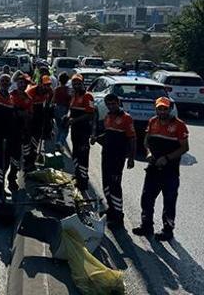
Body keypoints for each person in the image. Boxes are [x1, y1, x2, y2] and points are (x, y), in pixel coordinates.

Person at [132, 97, 189, 241]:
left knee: (169, 201)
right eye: (159, 108)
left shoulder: (179, 125)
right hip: (153, 168)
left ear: (170, 109)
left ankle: (168, 230)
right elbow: (146, 141)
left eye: (165, 108)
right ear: (156, 109)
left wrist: (168, 158)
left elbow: (185, 147)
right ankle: (146, 226)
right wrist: (149, 152)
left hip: (170, 171)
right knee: (147, 198)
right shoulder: (152, 121)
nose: (162, 111)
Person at [92, 93, 136, 229]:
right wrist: (96, 137)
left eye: (113, 103)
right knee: (106, 183)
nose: (111, 106)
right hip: (106, 155)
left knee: (115, 186)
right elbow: (109, 133)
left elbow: (132, 139)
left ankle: (118, 216)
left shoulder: (126, 118)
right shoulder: (108, 117)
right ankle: (111, 209)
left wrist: (131, 158)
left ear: (118, 103)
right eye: (108, 104)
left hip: (118, 157)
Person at [67, 73, 95, 191]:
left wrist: (75, 120)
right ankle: (78, 175)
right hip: (74, 130)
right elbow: (71, 111)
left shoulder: (88, 96)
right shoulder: (74, 95)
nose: (76, 85)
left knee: (83, 155)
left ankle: (83, 181)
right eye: (74, 83)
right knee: (76, 154)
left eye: (78, 83)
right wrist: (67, 117)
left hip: (83, 131)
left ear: (82, 83)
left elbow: (90, 114)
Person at [9, 72, 33, 189]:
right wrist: (19, 112)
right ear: (17, 83)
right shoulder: (11, 95)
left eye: (24, 83)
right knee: (15, 155)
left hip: (25, 130)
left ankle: (26, 172)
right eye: (20, 82)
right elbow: (10, 111)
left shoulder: (28, 98)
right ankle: (12, 178)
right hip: (13, 130)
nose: (22, 85)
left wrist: (23, 113)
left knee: (26, 153)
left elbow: (29, 115)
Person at [25, 75, 54, 171]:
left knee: (36, 139)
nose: (47, 87)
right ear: (40, 84)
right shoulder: (31, 91)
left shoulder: (49, 91)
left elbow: (49, 101)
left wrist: (47, 109)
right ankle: (28, 161)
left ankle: (32, 160)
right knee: (29, 140)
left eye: (49, 84)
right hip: (30, 113)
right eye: (45, 85)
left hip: (40, 112)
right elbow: (26, 106)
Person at [53, 72, 71, 150]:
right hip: (65, 109)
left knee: (60, 127)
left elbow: (53, 100)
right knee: (65, 128)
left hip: (57, 108)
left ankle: (58, 142)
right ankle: (60, 141)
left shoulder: (56, 89)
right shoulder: (68, 90)